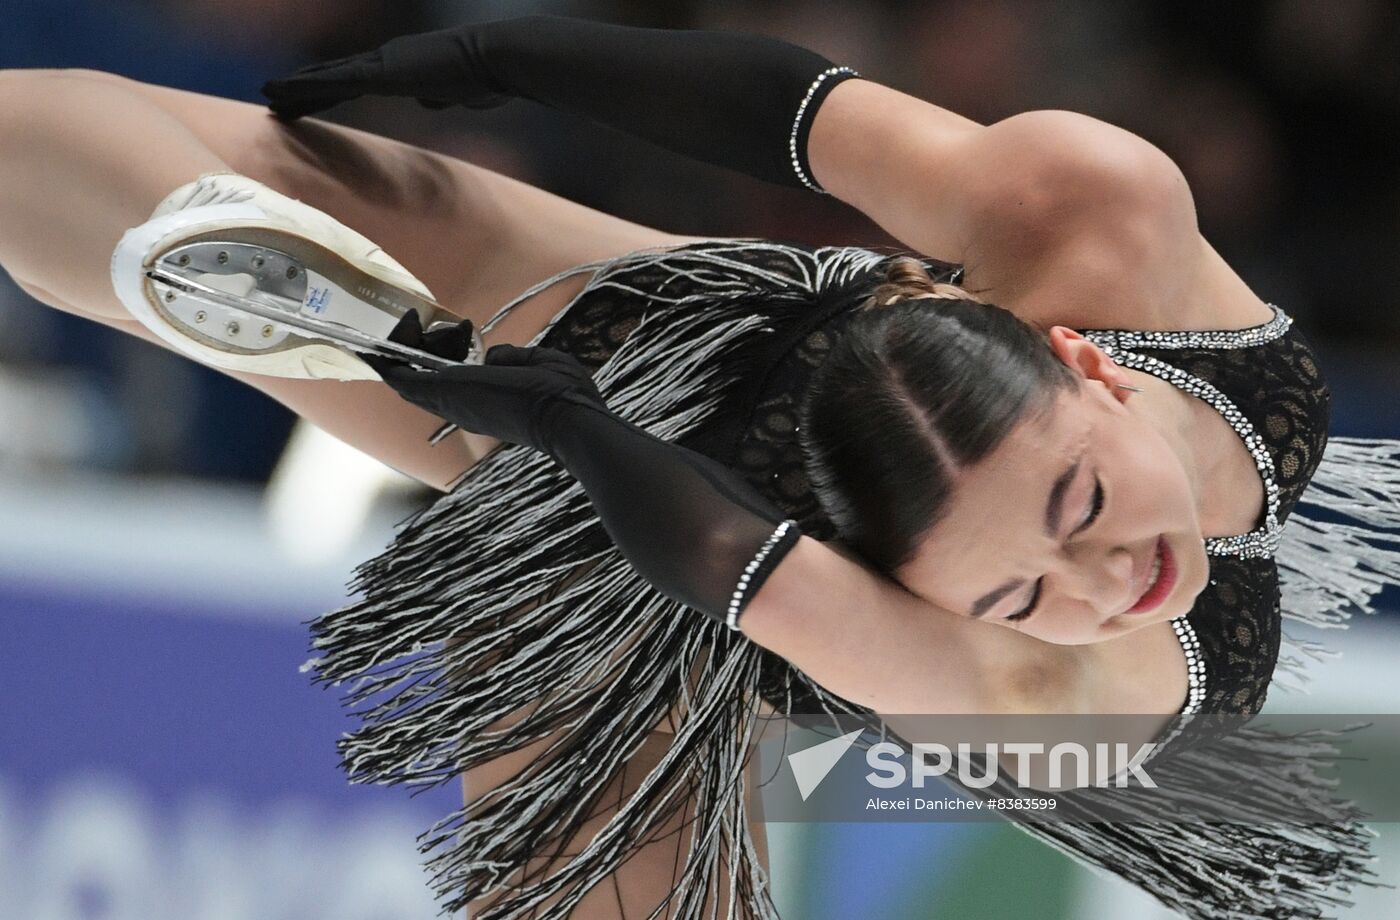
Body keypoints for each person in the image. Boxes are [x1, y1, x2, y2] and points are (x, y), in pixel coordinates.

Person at [1, 13, 1393, 918]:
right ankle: (315, 303)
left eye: (1061, 545)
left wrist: (556, 418)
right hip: (730, 406)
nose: (1107, 581)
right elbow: (795, 119)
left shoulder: (1044, 658)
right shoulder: (1085, 223)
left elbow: (744, 562)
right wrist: (515, 64)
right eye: (1052, 545)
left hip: (715, 459)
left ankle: (330, 309)